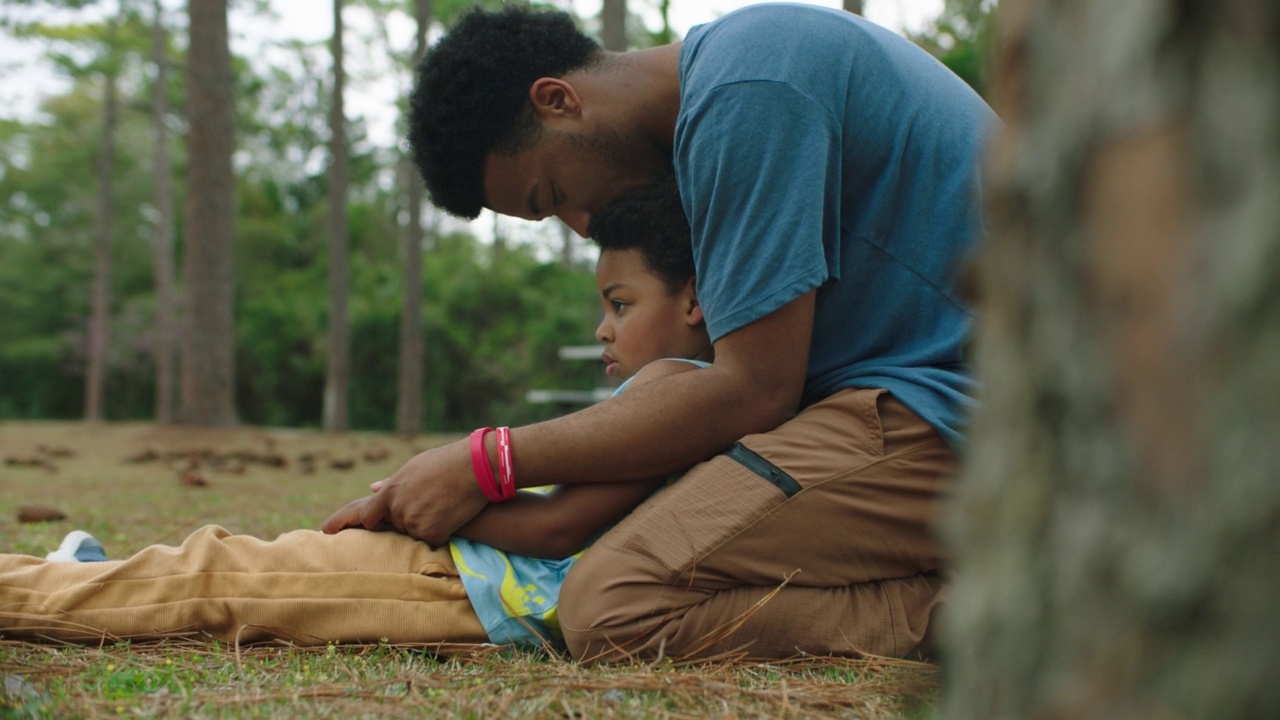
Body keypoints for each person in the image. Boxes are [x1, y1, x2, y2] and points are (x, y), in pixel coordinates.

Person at [323, 3, 995, 662]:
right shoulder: (734, 85)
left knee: (616, 604)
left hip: (965, 412)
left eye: (550, 194)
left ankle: (998, 617)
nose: (582, 226)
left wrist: (488, 462)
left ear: (557, 99)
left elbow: (755, 392)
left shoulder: (747, 94)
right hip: (926, 404)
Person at [0, 182, 711, 650]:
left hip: (466, 592)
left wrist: (412, 509)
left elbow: (558, 526)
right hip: (462, 574)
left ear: (693, 300)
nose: (602, 330)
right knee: (240, 564)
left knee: (222, 578)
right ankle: (81, 574)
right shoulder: (683, 392)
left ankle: (36, 589)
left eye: (621, 305)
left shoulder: (682, 390)